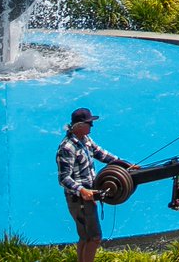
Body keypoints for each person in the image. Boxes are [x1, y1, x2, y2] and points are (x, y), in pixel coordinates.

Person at [57, 107, 136, 262]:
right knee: (94, 237)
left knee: (85, 237)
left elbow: (103, 154)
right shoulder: (67, 148)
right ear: (79, 126)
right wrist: (82, 191)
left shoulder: (85, 141)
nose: (91, 126)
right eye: (89, 123)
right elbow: (63, 178)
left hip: (88, 196)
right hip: (79, 199)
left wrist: (126, 165)